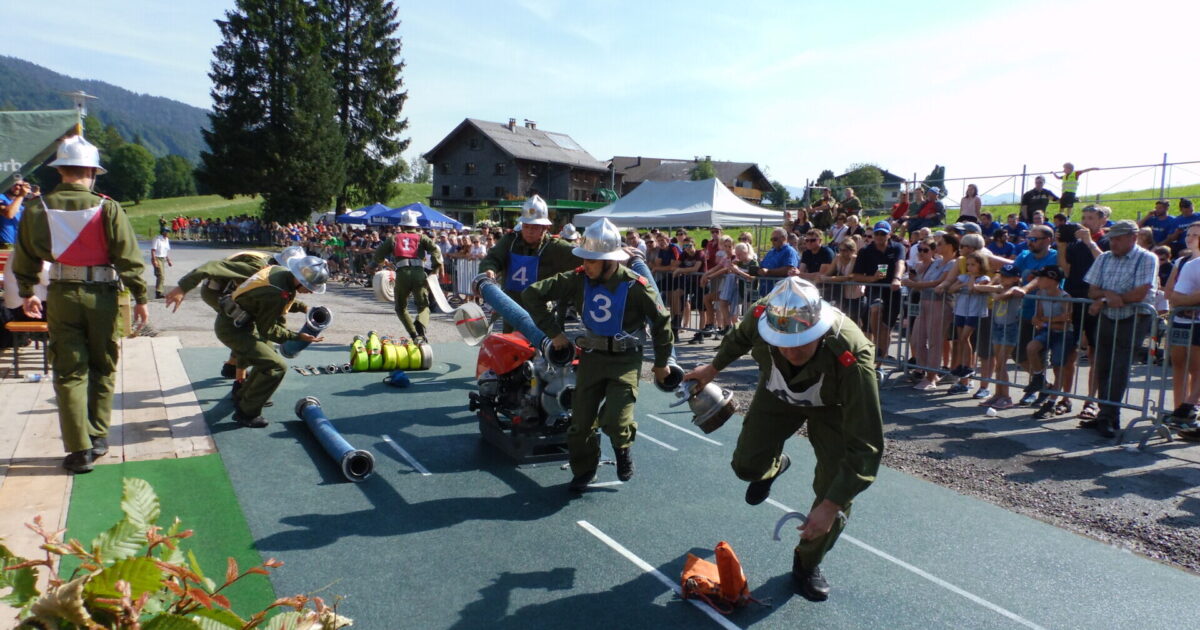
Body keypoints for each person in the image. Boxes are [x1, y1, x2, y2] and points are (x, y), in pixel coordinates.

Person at [683, 277, 883, 601]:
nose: (791, 350)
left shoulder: (852, 356)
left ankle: (807, 563)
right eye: (782, 342)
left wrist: (830, 506)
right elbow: (739, 337)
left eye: (802, 341)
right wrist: (713, 367)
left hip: (833, 409)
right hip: (777, 395)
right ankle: (772, 468)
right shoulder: (761, 314)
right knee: (746, 465)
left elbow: (867, 446)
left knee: (836, 489)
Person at [11, 136, 149, 474]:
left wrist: (28, 291)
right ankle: (98, 436)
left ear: (60, 170)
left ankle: (78, 451)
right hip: (102, 295)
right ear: (92, 170)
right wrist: (141, 296)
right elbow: (128, 257)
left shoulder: (36, 207)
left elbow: (25, 254)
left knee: (69, 371)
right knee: (102, 365)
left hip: (60, 294)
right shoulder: (108, 206)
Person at [521, 218, 672, 492]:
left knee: (615, 418)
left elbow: (662, 322)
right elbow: (532, 295)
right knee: (579, 425)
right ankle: (584, 470)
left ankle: (622, 449)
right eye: (585, 259)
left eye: (593, 260)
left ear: (610, 261)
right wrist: (555, 333)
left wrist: (661, 364)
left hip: (625, 361)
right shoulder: (578, 279)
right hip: (591, 358)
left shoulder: (635, 286)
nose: (586, 264)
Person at [216, 256, 328, 428]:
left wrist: (304, 308)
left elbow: (286, 298)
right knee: (276, 366)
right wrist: (298, 337)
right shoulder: (276, 291)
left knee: (269, 357)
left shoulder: (281, 274)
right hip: (234, 330)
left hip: (240, 324)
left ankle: (243, 397)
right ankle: (247, 413)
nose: (311, 291)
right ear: (299, 279)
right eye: (309, 287)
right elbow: (267, 331)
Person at [165, 246, 306, 381]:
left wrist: (301, 309)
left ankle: (231, 366)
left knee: (245, 326)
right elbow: (212, 266)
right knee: (245, 329)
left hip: (231, 290)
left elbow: (276, 304)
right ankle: (240, 379)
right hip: (216, 292)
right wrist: (182, 288)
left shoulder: (273, 268)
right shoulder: (258, 268)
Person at [1083, 220, 1159, 438]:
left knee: (1120, 365)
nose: (1113, 243)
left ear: (1133, 238)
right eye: (1111, 238)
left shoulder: (1146, 258)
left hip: (1134, 317)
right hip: (1108, 315)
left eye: (1118, 238)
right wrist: (1109, 297)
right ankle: (1105, 413)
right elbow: (1092, 291)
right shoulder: (1105, 258)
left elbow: (1140, 293)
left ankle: (1108, 414)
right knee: (1103, 363)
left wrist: (1107, 298)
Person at [479, 195, 579, 330]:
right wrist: (489, 269)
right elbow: (492, 258)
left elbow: (582, 258)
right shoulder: (510, 241)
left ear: (545, 228)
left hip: (540, 313)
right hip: (511, 309)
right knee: (510, 347)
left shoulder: (554, 247)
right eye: (526, 227)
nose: (529, 232)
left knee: (540, 348)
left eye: (535, 227)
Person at [1060, 205, 1111, 420]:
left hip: (1095, 302)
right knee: (1067, 352)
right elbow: (1065, 268)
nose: (1085, 222)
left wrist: (1090, 242)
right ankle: (1063, 398)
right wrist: (1060, 241)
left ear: (1103, 220)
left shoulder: (1107, 241)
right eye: (1084, 217)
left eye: (1090, 218)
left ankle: (1091, 402)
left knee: (1093, 353)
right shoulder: (1075, 243)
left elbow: (1106, 262)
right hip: (1075, 299)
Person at [372, 210, 443, 342]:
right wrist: (435, 268)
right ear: (415, 226)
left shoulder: (394, 238)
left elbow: (378, 255)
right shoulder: (422, 237)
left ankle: (413, 334)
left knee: (400, 307)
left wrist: (384, 262)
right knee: (423, 306)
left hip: (402, 274)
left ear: (402, 225)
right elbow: (435, 249)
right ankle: (421, 324)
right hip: (419, 273)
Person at [1009, 225, 1059, 405]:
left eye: (1034, 239)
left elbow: (1041, 279)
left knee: (1038, 353)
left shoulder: (1055, 257)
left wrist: (1024, 288)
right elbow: (1011, 274)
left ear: (1048, 240)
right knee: (1017, 353)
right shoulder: (1024, 256)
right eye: (1028, 238)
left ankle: (1036, 389)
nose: (1029, 242)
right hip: (1026, 311)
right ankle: (1043, 385)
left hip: (1047, 314)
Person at [851, 221, 906, 376]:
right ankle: (876, 345)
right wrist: (872, 278)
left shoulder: (897, 247)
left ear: (889, 234)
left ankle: (879, 364)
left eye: (883, 233)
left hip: (893, 291)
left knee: (886, 328)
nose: (880, 237)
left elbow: (900, 263)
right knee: (875, 308)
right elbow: (856, 276)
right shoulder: (865, 251)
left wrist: (897, 278)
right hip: (875, 289)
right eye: (877, 234)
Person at [905, 236, 957, 390]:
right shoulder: (934, 263)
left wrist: (916, 284)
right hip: (924, 304)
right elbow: (922, 279)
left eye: (940, 244)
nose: (937, 247)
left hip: (940, 304)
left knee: (935, 341)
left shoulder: (953, 263)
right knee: (916, 340)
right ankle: (925, 371)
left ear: (950, 246)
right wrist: (914, 278)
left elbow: (939, 282)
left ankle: (932, 377)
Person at [1025, 266, 1077, 419]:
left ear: (1053, 280)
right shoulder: (1041, 293)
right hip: (1048, 331)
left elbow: (1067, 320)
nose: (1038, 281)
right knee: (1031, 347)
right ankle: (1038, 377)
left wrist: (1046, 322)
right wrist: (1043, 321)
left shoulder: (1065, 297)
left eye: (1041, 278)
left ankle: (1052, 402)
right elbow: (1038, 317)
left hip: (1063, 334)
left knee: (1058, 365)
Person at [976, 265, 1024, 409]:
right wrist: (993, 283)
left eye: (1006, 276)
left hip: (1010, 327)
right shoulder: (1000, 286)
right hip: (998, 325)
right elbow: (978, 287)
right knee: (998, 364)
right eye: (1001, 275)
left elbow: (998, 296)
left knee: (1001, 364)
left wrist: (994, 290)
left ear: (1016, 278)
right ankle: (998, 394)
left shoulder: (1014, 290)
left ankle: (1007, 397)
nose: (1003, 278)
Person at [755, 227, 799, 297]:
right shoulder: (771, 251)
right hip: (765, 292)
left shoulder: (789, 251)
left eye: (775, 239)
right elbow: (762, 266)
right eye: (771, 239)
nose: (772, 242)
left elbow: (788, 270)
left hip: (781, 294)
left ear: (783, 238)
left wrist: (768, 271)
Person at [1, 180, 31, 250]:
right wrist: (21, 195)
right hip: (3, 245)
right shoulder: (1, 197)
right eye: (15, 184)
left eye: (21, 186)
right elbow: (9, 214)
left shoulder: (21, 206)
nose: (17, 187)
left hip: (17, 246)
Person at [149, 228, 173, 299]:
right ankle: (158, 292)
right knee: (161, 275)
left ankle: (159, 292)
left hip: (162, 258)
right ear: (163, 232)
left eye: (169, 232)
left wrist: (168, 260)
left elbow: (166, 251)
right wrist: (154, 260)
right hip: (157, 258)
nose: (168, 233)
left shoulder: (166, 240)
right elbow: (153, 250)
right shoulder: (157, 239)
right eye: (167, 232)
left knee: (161, 276)